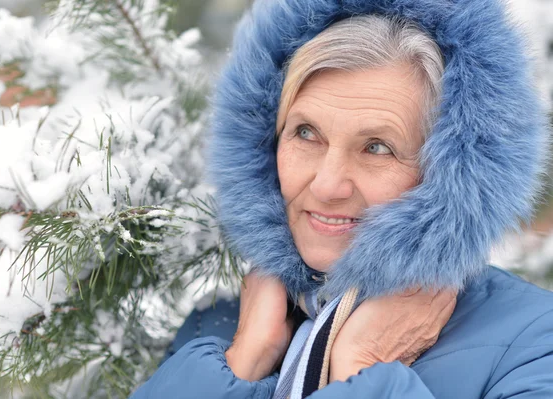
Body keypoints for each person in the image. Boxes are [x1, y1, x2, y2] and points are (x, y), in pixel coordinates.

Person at [131, 0, 553, 398]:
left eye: (377, 147)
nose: (327, 186)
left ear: (452, 173)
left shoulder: (536, 344)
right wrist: (246, 358)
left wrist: (361, 366)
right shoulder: (221, 326)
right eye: (306, 133)